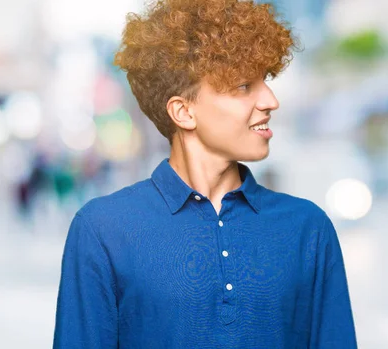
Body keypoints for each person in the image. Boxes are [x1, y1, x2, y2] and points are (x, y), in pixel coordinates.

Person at [53, 0, 357, 348]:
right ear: (183, 112)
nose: (271, 100)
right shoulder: (102, 229)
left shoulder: (308, 229)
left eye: (266, 81)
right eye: (244, 86)